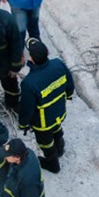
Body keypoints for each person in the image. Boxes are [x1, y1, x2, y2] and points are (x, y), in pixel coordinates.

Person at [18, 38, 75, 174]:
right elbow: (69, 83)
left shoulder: (29, 83)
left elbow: (27, 108)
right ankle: (60, 149)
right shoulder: (58, 64)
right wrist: (68, 94)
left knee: (45, 142)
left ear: (31, 58)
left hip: (43, 122)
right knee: (57, 128)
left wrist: (23, 124)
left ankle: (52, 163)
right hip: (59, 111)